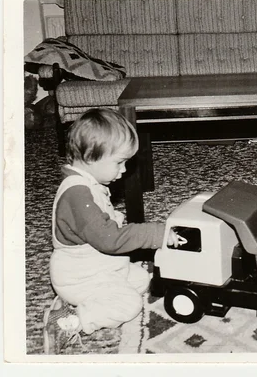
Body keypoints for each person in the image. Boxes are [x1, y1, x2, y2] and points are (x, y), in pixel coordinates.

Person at [42, 108, 179, 355]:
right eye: (119, 162)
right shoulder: (77, 194)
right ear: (92, 157)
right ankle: (69, 322)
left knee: (140, 279)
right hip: (81, 277)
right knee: (130, 304)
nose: (124, 170)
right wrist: (155, 235)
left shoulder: (88, 184)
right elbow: (110, 241)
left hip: (98, 268)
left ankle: (77, 303)